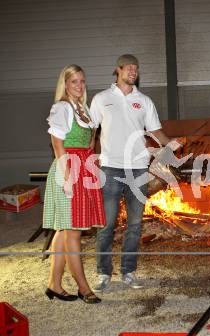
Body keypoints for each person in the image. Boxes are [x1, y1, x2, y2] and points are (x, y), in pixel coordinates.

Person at [91, 54, 179, 292]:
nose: (133, 71)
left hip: (138, 168)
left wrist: (171, 144)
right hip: (110, 167)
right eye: (129, 67)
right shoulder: (101, 99)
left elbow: (155, 131)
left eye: (136, 68)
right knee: (107, 224)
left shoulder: (144, 101)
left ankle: (128, 271)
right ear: (117, 70)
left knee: (135, 223)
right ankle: (103, 272)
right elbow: (91, 131)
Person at [43, 64, 105, 304]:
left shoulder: (83, 108)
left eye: (82, 81)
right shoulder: (62, 108)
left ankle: (54, 284)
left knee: (65, 230)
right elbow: (58, 145)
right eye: (73, 82)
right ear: (65, 85)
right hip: (67, 169)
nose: (79, 86)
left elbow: (88, 141)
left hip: (82, 168)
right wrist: (68, 177)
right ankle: (83, 288)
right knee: (73, 233)